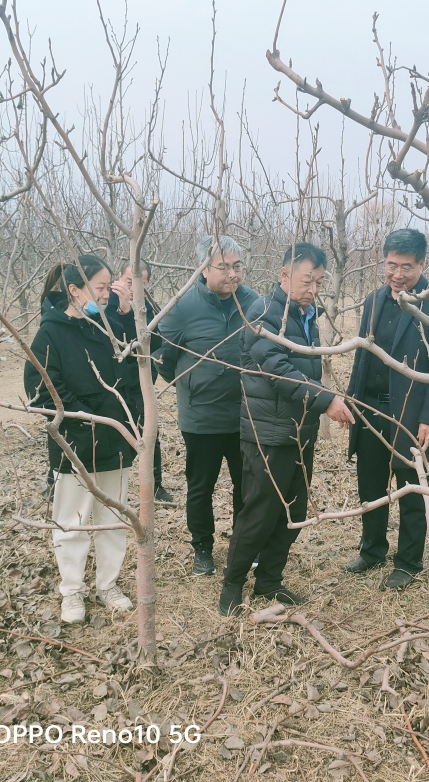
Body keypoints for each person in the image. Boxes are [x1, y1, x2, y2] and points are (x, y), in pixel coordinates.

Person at [219, 242, 355, 616]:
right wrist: (327, 401)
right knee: (260, 512)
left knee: (292, 512)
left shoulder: (305, 315)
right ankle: (232, 584)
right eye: (307, 280)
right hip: (268, 434)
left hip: (299, 431)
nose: (314, 289)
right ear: (284, 274)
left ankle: (269, 580)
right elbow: (277, 370)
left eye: (320, 282)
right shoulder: (264, 313)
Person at [24, 255, 140, 624]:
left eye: (108, 287)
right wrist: (86, 422)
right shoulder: (50, 333)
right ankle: (72, 590)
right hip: (75, 444)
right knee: (72, 522)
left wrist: (130, 422)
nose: (107, 295)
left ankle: (108, 584)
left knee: (114, 518)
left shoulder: (107, 326)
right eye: (101, 288)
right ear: (74, 290)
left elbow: (135, 370)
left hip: (116, 441)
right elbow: (42, 390)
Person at [344, 229, 429, 590]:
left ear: (422, 264)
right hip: (371, 407)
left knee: (411, 487)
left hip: (411, 412)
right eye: (391, 265)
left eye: (406, 267)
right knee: (370, 484)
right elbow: (362, 355)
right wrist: (353, 400)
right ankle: (372, 550)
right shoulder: (374, 299)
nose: (397, 274)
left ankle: (408, 562)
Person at [157, 236, 259, 576]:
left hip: (245, 415)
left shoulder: (254, 303)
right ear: (203, 269)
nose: (232, 274)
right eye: (223, 267)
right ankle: (202, 548)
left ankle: (245, 545)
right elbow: (164, 360)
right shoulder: (183, 307)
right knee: (201, 487)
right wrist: (193, 385)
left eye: (237, 266)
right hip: (201, 418)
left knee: (247, 485)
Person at [106, 258, 173, 504]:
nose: (133, 288)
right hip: (112, 383)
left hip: (140, 383)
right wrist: (123, 311)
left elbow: (155, 343)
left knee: (149, 433)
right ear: (118, 278)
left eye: (140, 283)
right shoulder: (106, 302)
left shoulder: (148, 308)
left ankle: (156, 485)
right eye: (128, 281)